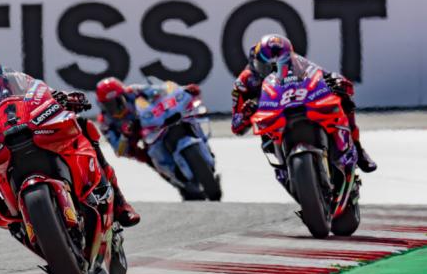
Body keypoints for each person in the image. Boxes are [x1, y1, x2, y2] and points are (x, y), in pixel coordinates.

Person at [0, 49, 140, 236]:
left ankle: (120, 202)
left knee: (81, 125)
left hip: (24, 134)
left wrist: (64, 99)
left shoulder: (14, 82)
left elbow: (44, 94)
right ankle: (13, 224)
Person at [230, 34, 377, 173]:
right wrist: (245, 114)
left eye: (277, 66)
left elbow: (323, 74)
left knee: (343, 98)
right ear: (255, 62)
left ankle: (357, 147)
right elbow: (236, 127)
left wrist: (336, 81)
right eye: (266, 66)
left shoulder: (297, 63)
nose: (272, 71)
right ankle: (283, 169)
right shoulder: (244, 82)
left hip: (298, 105)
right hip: (272, 122)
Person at [95, 77, 202, 165]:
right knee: (146, 156)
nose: (112, 108)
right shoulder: (105, 122)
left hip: (152, 121)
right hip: (133, 137)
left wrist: (184, 90)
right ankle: (169, 174)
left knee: (185, 116)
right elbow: (119, 151)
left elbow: (162, 90)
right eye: (107, 105)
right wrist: (125, 136)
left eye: (116, 102)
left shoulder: (134, 91)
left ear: (123, 95)